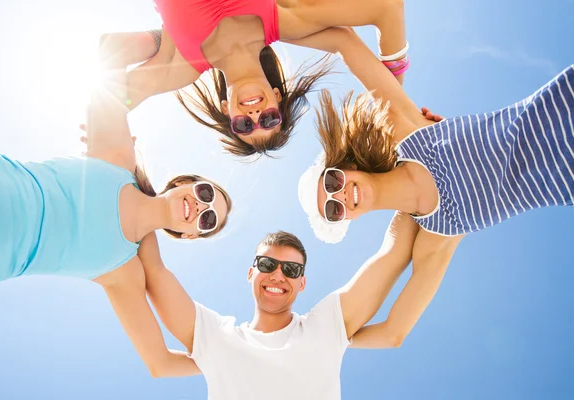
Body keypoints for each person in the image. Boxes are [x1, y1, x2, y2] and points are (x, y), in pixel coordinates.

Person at [296, 28, 573, 340]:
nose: (341, 196)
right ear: (347, 219)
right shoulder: (437, 233)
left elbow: (344, 41)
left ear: (346, 167)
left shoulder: (408, 130)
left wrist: (263, 27)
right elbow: (393, 333)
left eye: (333, 181)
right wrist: (314, 342)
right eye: (334, 209)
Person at [0, 48, 235, 375]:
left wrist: (235, 363)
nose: (200, 206)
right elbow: (112, 55)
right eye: (205, 193)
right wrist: (185, 42)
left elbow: (160, 364)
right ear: (186, 183)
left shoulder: (125, 273)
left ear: (191, 233)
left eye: (208, 218)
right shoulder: (118, 158)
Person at [134, 222, 454, 400]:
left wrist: (422, 168)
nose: (277, 275)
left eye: (290, 269)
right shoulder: (217, 337)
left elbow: (395, 252)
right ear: (251, 273)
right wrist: (140, 201)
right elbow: (155, 272)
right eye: (267, 264)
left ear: (302, 284)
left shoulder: (324, 327)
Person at [98, 0, 409, 157]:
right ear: (277, 95)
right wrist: (401, 116)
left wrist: (111, 140)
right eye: (270, 119)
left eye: (245, 126)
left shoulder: (182, 66)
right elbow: (385, 9)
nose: (255, 115)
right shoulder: (286, 20)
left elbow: (112, 95)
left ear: (226, 110)